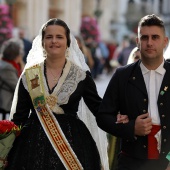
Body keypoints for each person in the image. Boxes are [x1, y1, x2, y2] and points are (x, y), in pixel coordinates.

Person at [6, 18, 109, 170]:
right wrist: (6, 149)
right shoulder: (30, 75)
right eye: (49, 37)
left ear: (68, 42)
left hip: (74, 144)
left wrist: (119, 116)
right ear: (42, 42)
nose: (54, 41)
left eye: (59, 37)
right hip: (32, 146)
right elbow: (19, 118)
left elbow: (97, 107)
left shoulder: (80, 75)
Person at [96, 14, 170, 170]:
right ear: (137, 41)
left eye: (155, 37)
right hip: (131, 162)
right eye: (144, 38)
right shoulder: (122, 75)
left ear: (165, 41)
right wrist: (131, 128)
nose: (149, 42)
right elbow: (103, 116)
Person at [0, 38, 24, 119]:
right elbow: (16, 86)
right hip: (5, 103)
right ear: (15, 55)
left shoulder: (7, 64)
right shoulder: (7, 67)